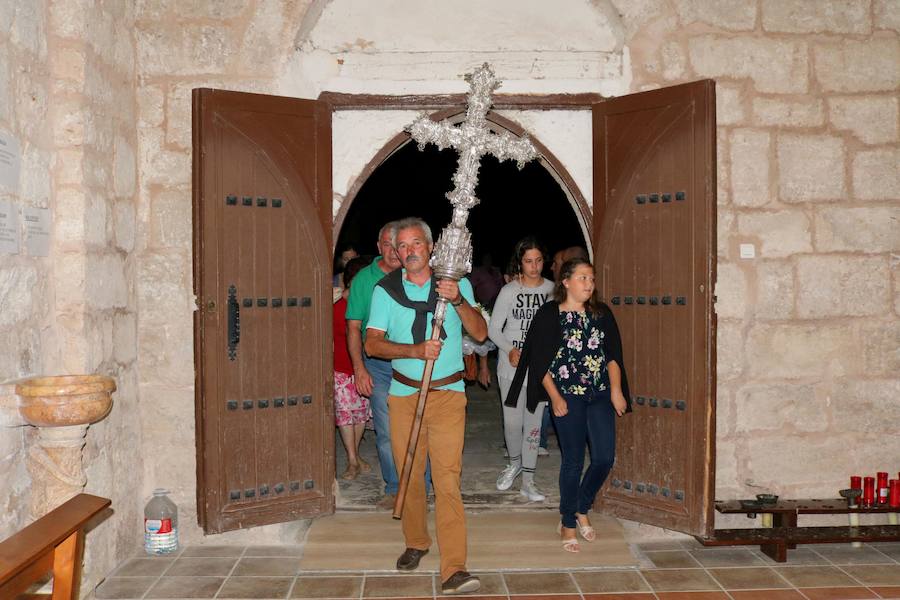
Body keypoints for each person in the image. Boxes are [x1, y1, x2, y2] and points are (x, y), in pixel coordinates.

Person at [365, 217, 487, 595]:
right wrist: (414, 351)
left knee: (448, 480)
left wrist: (458, 300)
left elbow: (481, 333)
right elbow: (372, 344)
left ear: (431, 247)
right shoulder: (385, 291)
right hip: (404, 396)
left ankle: (455, 568)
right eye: (402, 246)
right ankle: (416, 541)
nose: (409, 251)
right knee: (410, 475)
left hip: (449, 395)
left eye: (416, 243)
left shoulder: (456, 283)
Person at [506, 258, 631, 553]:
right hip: (567, 396)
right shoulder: (550, 314)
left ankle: (580, 505)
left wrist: (616, 390)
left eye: (592, 278)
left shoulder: (601, 314)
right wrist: (555, 397)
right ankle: (568, 522)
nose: (589, 284)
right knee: (573, 460)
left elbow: (613, 355)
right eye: (583, 278)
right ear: (566, 282)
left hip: (599, 394)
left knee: (603, 458)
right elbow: (539, 360)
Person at [488, 237, 554, 502]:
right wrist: (509, 349)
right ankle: (514, 464)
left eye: (538, 260)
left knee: (534, 426)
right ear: (520, 262)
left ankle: (529, 480)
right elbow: (493, 329)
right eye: (528, 261)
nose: (534, 266)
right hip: (511, 368)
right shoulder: (509, 291)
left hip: (539, 371)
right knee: (513, 424)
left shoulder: (552, 290)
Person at [345, 223, 402, 510]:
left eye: (399, 244)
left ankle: (422, 486)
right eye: (387, 244)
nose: (394, 251)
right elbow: (353, 327)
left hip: (413, 363)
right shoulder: (364, 281)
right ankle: (394, 487)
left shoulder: (414, 276)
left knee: (422, 425)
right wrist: (359, 368)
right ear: (379, 246)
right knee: (386, 430)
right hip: (378, 366)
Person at [333, 256, 374, 480]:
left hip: (363, 367)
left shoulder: (367, 303)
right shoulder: (337, 305)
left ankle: (355, 455)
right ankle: (351, 460)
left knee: (359, 415)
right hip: (340, 367)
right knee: (344, 416)